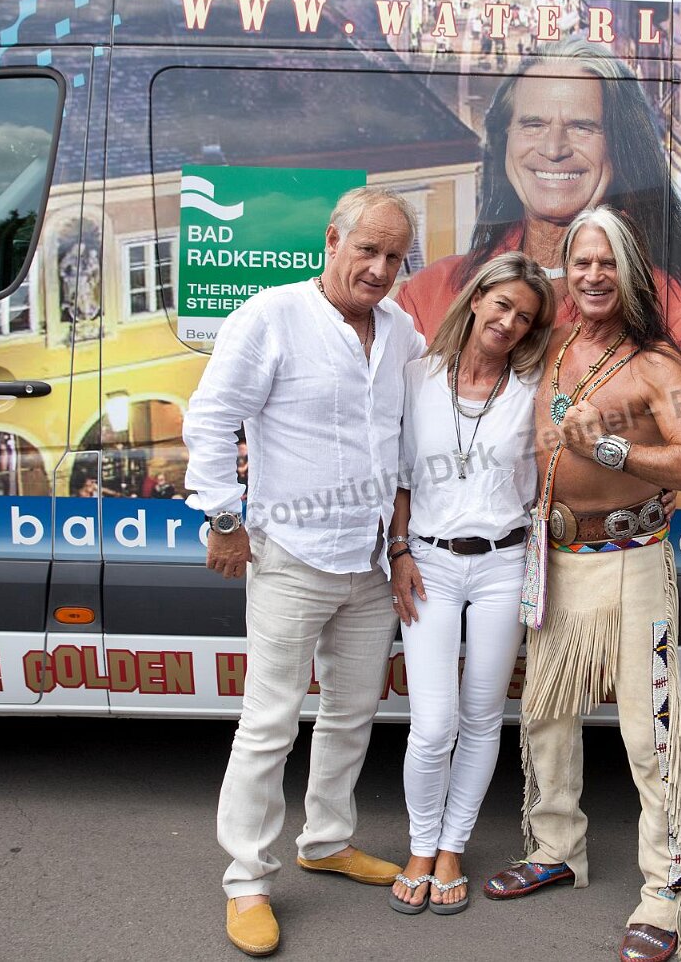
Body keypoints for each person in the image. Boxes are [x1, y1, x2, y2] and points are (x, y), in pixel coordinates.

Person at [182, 186, 426, 958]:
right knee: (269, 724)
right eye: (368, 250)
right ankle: (247, 880)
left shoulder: (401, 331)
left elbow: (404, 445)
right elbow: (210, 418)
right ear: (332, 239)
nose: (380, 268)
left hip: (369, 562)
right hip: (290, 554)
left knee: (352, 715)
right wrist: (224, 519)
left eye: (394, 256)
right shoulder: (271, 315)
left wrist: (399, 546)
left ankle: (326, 842)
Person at [484, 207, 681, 962]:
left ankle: (667, 895)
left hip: (632, 563)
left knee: (648, 737)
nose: (593, 275)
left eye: (607, 262)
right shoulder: (553, 344)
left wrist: (614, 449)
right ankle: (556, 849)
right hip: (553, 560)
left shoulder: (657, 365)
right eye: (582, 262)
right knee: (546, 718)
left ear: (631, 272)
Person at [384, 254, 556, 917]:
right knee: (433, 725)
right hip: (428, 562)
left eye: (525, 317)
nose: (509, 322)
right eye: (502, 304)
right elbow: (400, 474)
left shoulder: (533, 387)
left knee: (483, 717)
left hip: (503, 565)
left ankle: (451, 847)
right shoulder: (417, 376)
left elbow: (561, 466)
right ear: (477, 298)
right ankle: (420, 845)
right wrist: (399, 548)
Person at [397, 39, 681, 370]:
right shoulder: (428, 294)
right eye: (533, 124)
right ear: (505, 140)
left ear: (620, 147)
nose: (553, 149)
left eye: (582, 127)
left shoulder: (674, 313)